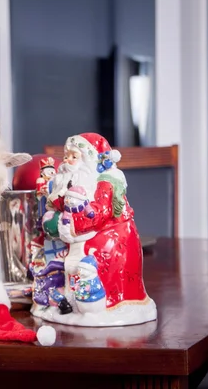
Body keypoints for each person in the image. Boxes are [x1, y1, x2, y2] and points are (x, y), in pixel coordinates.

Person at [34, 133, 156, 326]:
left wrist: (62, 222)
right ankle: (68, 301)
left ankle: (96, 306)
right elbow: (60, 202)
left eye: (74, 156)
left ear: (88, 158)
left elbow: (98, 214)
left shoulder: (105, 180)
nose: (67, 161)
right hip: (80, 243)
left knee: (88, 275)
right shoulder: (68, 179)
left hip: (109, 244)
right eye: (66, 156)